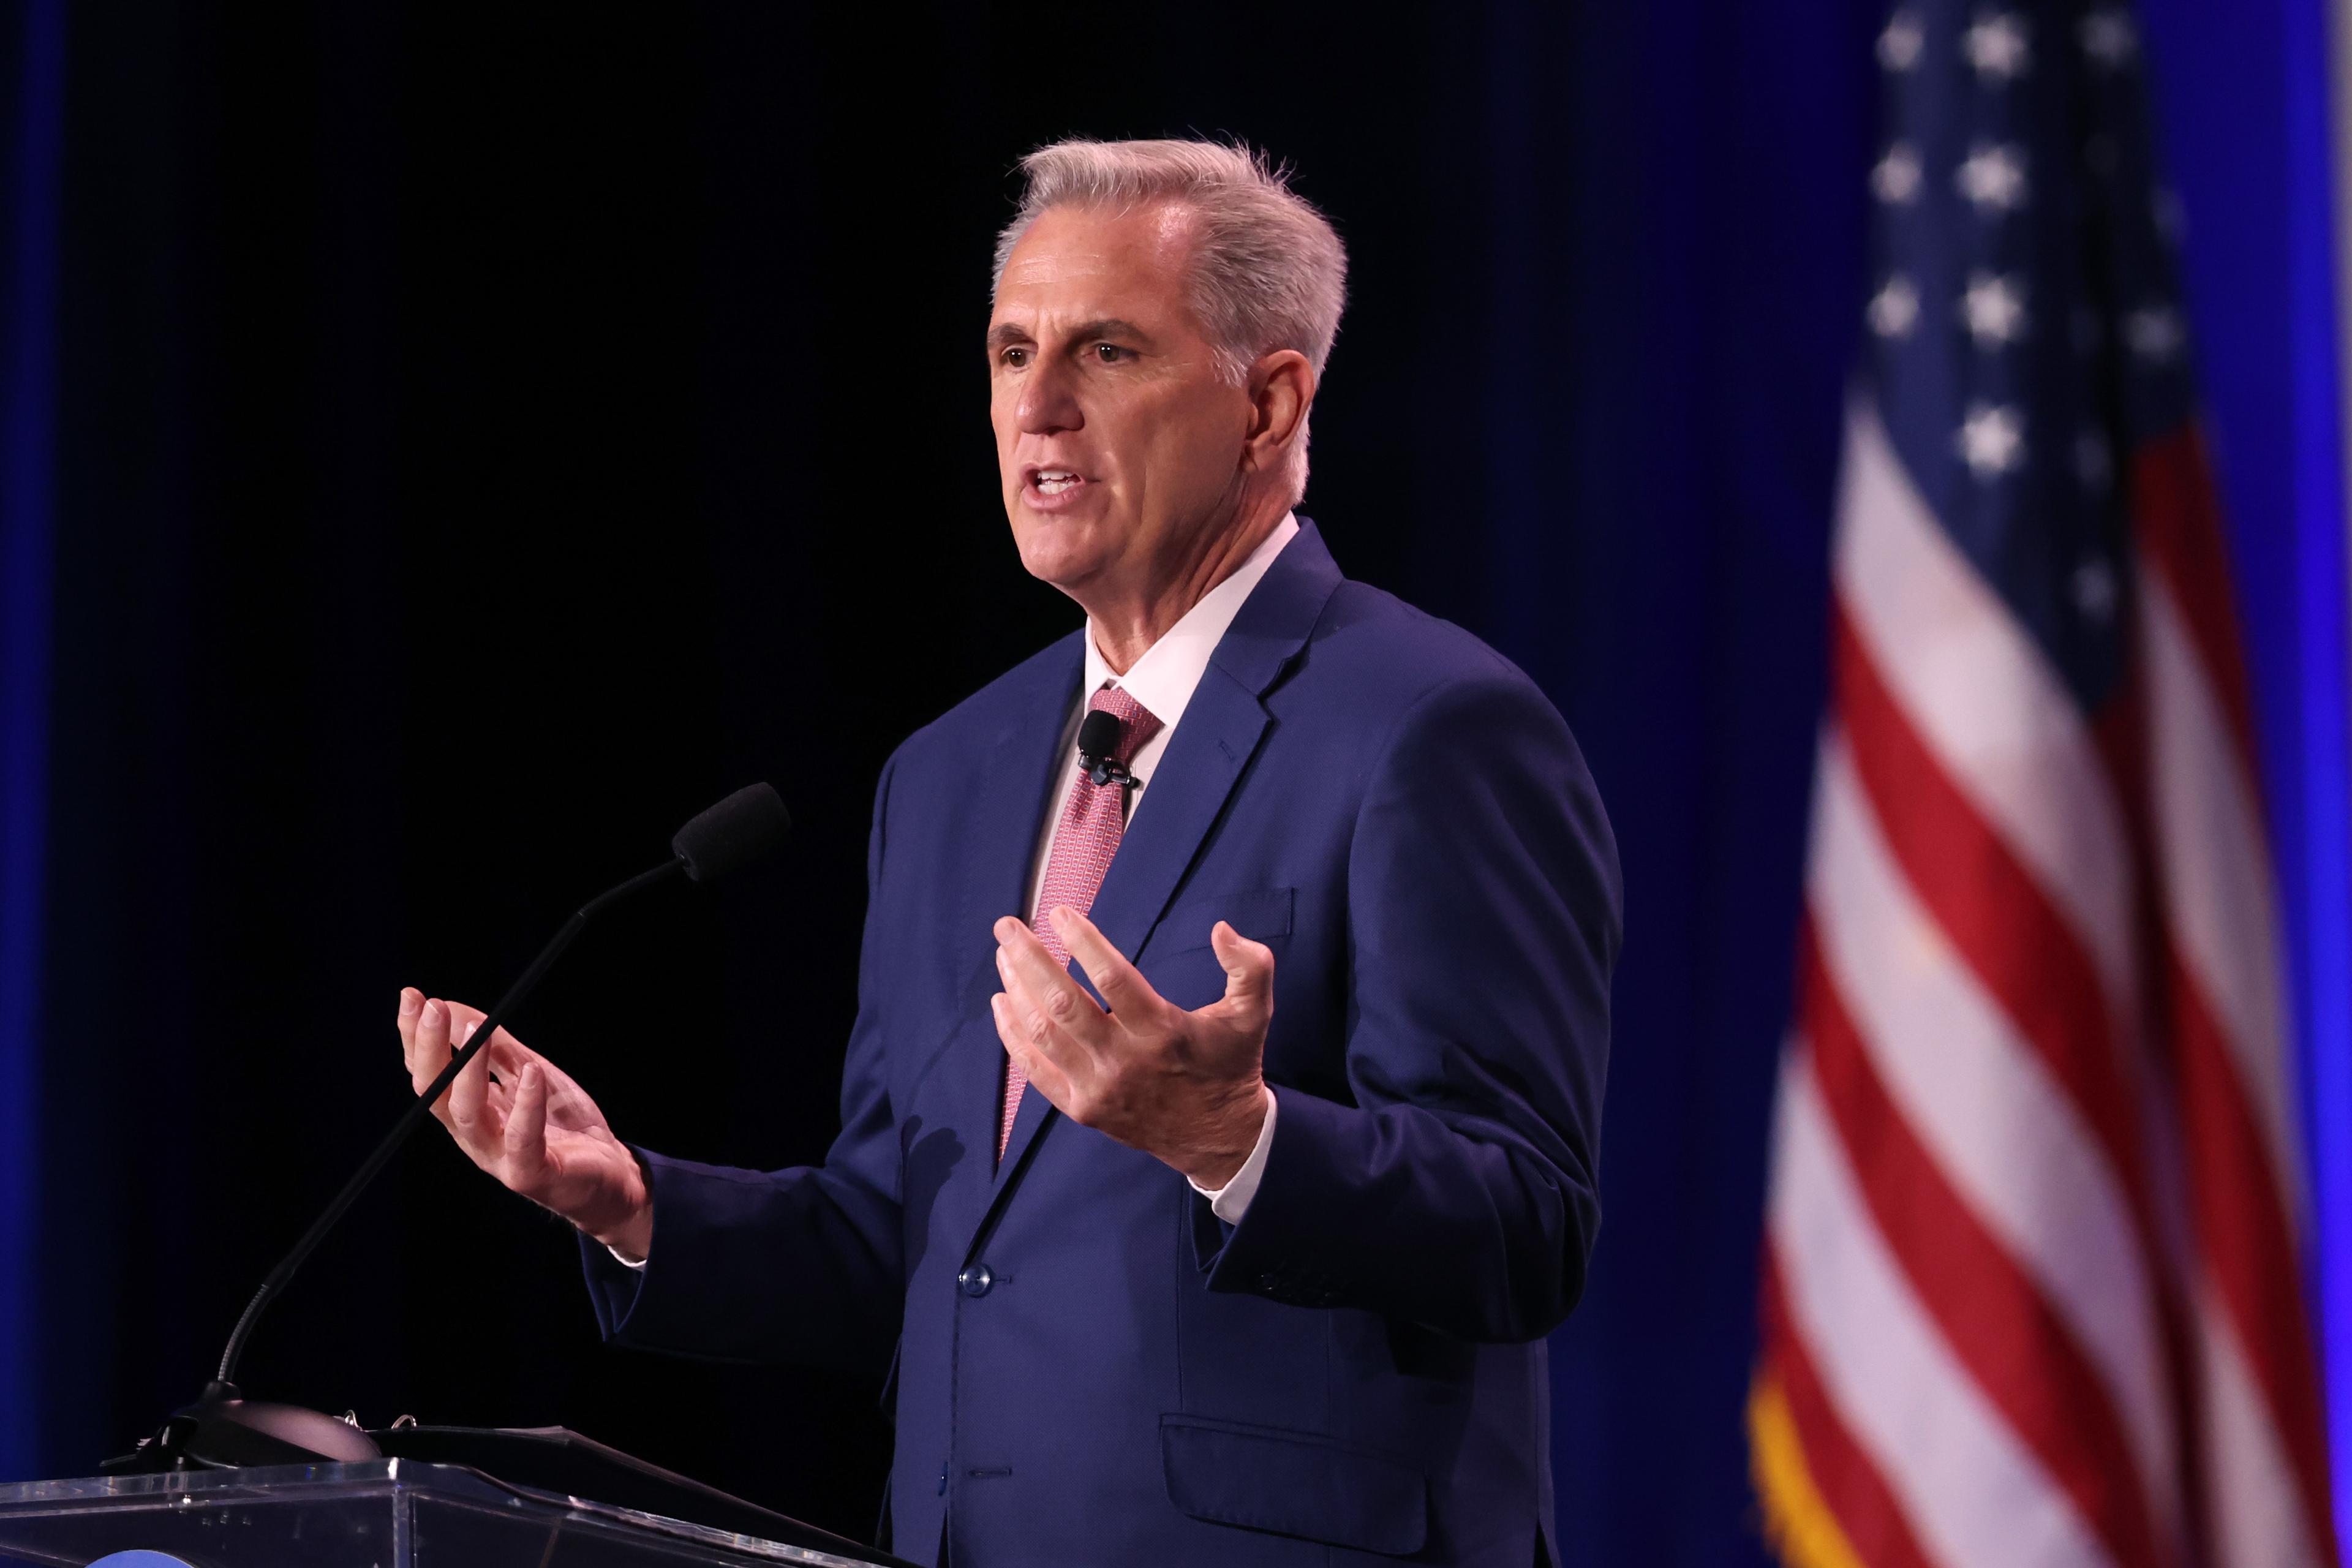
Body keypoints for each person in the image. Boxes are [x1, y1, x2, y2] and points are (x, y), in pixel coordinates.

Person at [396, 137, 1620, 1568]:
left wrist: (1235, 1137)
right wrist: (634, 1201)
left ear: (1270, 402)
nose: (1037, 406)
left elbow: (1526, 1221)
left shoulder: (1433, 725)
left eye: (1108, 350)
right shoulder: (949, 772)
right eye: (1012, 351)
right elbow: (906, 1235)